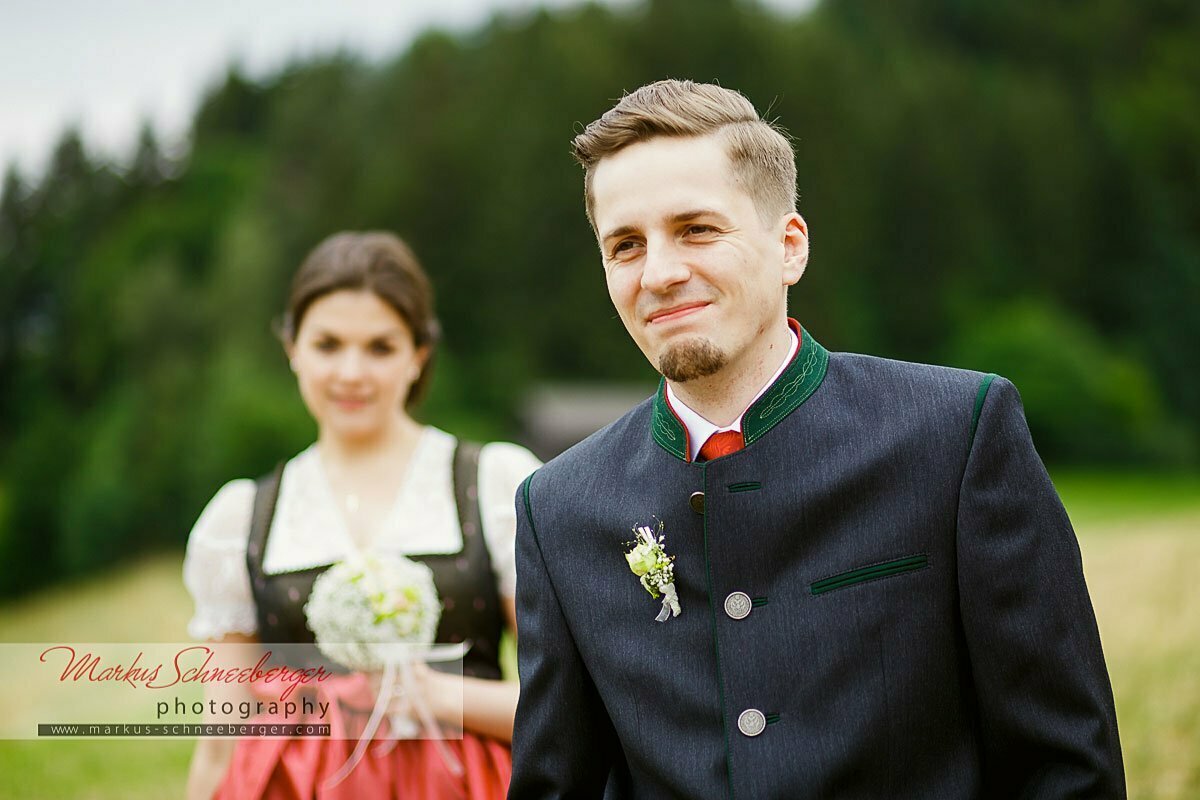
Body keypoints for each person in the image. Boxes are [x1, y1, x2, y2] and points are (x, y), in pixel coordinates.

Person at [508, 80, 1125, 798]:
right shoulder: (555, 507)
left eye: (698, 229)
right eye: (625, 245)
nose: (661, 273)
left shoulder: (956, 434)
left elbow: (1065, 768)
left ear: (789, 247)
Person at [183, 231, 540, 799]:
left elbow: (562, 708)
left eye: (380, 347)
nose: (351, 372)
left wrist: (441, 696)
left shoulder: (493, 486)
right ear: (292, 348)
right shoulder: (240, 518)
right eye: (328, 345)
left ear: (419, 354)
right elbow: (224, 739)